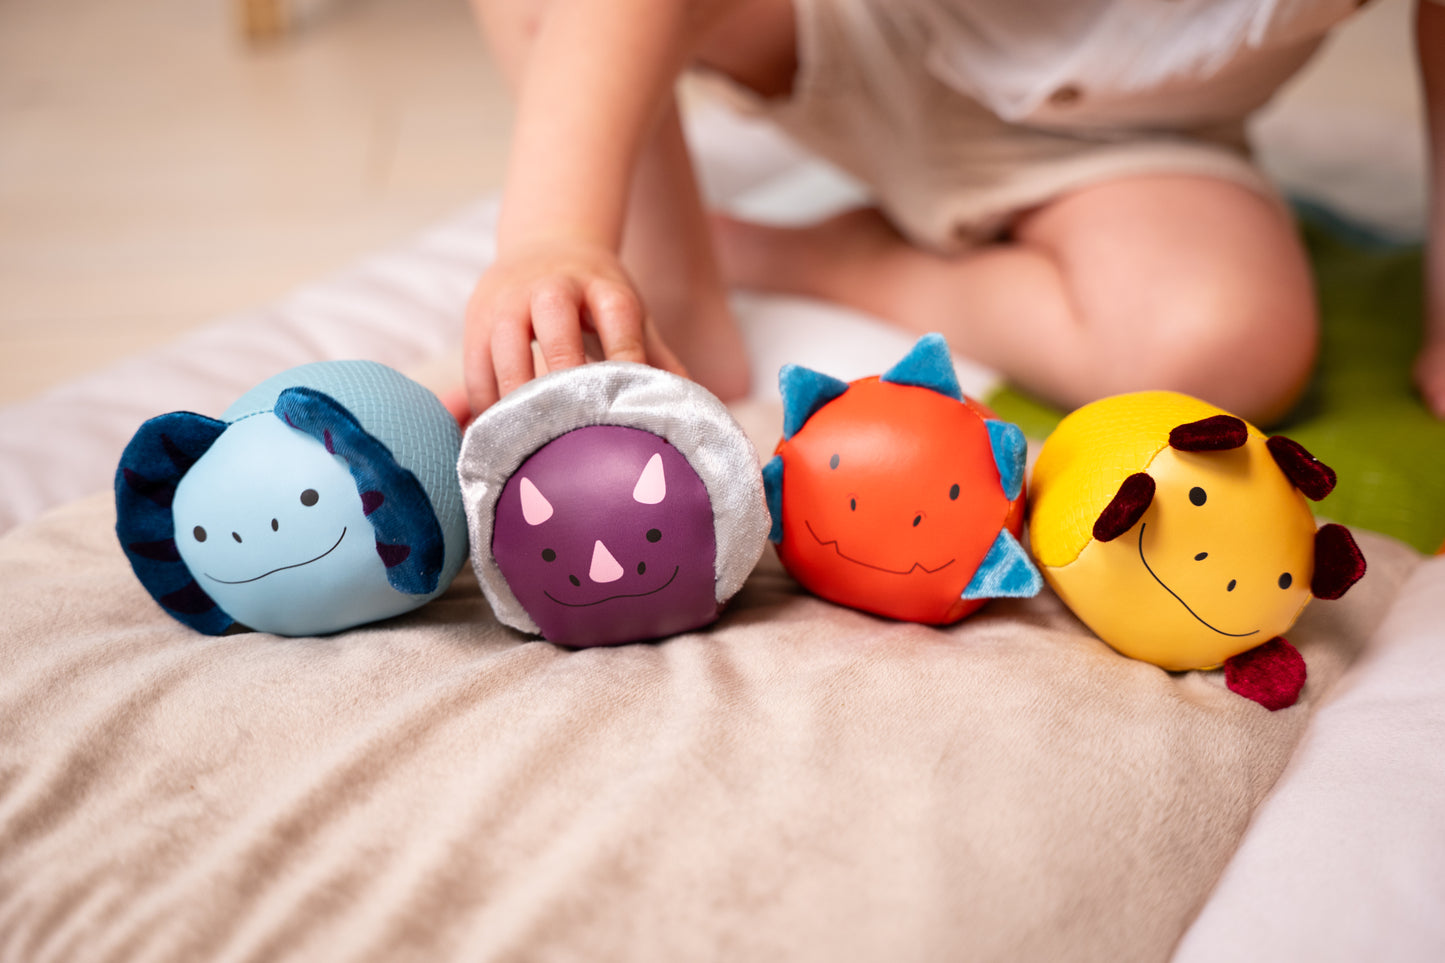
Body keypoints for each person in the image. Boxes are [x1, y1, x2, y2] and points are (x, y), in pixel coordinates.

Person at [462, 0, 1445, 426]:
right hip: (849, 29)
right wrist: (556, 233)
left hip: (1124, 143)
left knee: (1225, 350)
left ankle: (840, 258)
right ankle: (665, 286)